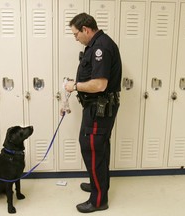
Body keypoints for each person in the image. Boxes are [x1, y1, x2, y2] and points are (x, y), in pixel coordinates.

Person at [63, 13, 122, 213]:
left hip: (99, 109)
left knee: (93, 149)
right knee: (98, 148)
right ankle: (99, 185)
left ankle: (98, 200)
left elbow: (99, 84)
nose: (75, 38)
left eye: (75, 34)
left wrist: (74, 86)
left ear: (86, 29)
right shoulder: (97, 44)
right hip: (96, 108)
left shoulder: (101, 48)